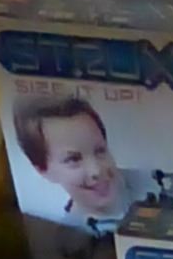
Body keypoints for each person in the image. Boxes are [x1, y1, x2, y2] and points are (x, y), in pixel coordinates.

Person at [13, 95, 142, 232]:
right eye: (74, 159)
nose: (96, 170)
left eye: (100, 151)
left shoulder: (151, 181)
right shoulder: (70, 239)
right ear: (43, 170)